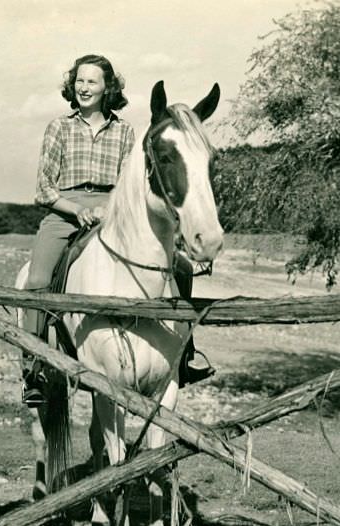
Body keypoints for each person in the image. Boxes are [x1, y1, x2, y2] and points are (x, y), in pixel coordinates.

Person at [22, 53, 212, 407]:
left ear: (108, 88)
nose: (84, 87)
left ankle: (184, 357)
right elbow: (43, 189)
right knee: (36, 280)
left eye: (92, 81)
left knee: (183, 268)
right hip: (64, 211)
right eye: (79, 80)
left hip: (113, 210)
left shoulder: (125, 132)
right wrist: (78, 210)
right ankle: (34, 367)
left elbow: (131, 183)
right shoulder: (59, 128)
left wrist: (107, 210)